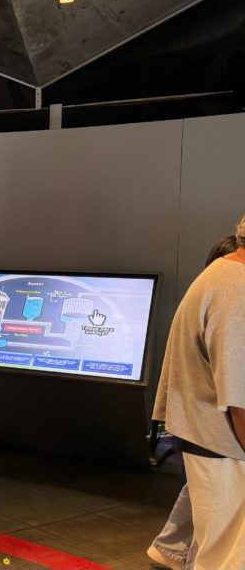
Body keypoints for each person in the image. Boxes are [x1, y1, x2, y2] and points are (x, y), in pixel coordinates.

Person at [151, 219, 245, 570]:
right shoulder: (237, 288)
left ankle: (169, 551)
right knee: (227, 558)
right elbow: (239, 397)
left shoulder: (222, 275)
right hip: (223, 439)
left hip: (210, 434)